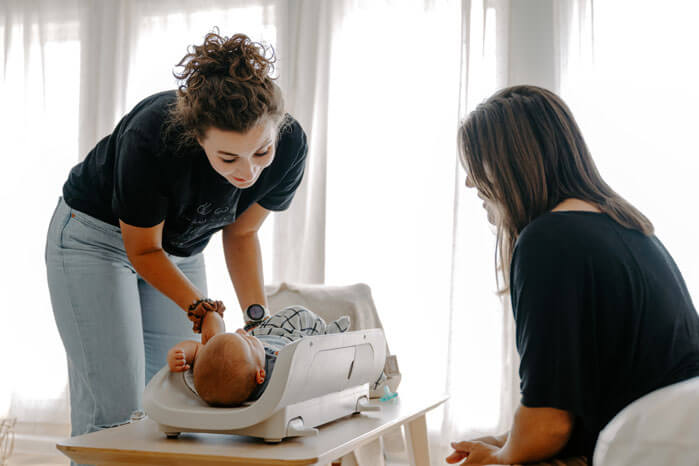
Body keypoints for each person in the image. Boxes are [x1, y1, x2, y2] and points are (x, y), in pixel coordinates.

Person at [45, 30, 308, 441]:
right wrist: (205, 309)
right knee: (116, 413)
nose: (248, 173)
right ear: (197, 137)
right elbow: (144, 249)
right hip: (96, 239)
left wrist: (259, 323)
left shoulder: (291, 146)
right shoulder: (153, 138)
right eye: (227, 157)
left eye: (261, 152)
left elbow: (241, 235)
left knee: (178, 401)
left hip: (181, 247)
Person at [447, 85, 699, 465]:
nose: (470, 183)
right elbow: (580, 403)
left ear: (511, 162)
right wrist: (507, 441)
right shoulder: (627, 226)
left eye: (478, 163)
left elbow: (549, 427)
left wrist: (499, 457)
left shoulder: (547, 240)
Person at [167, 306, 351, 405]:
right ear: (260, 375)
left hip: (264, 335)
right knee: (300, 315)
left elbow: (198, 349)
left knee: (289, 316)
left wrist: (180, 353)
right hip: (291, 339)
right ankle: (327, 333)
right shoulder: (278, 375)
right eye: (246, 342)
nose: (241, 334)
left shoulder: (235, 365)